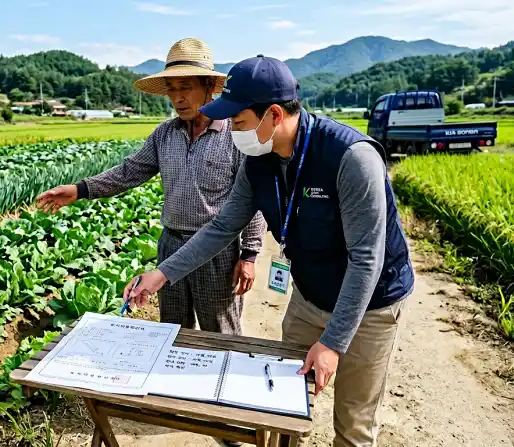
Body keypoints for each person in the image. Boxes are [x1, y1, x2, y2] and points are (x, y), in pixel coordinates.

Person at [124, 55, 415, 447]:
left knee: (353, 424)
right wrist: (161, 274)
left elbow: (367, 259)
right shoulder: (257, 160)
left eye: (239, 122)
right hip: (309, 295)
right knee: (281, 406)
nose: (233, 131)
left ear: (273, 114)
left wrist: (332, 343)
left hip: (370, 307)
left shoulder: (351, 158)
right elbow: (223, 227)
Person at [36, 38, 266, 336]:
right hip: (170, 246)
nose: (178, 98)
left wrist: (248, 255)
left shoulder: (235, 136)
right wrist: (80, 189)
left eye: (186, 87)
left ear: (209, 85)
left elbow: (253, 200)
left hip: (216, 253)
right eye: (172, 89)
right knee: (171, 333)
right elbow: (130, 172)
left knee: (220, 334)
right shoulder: (165, 134)